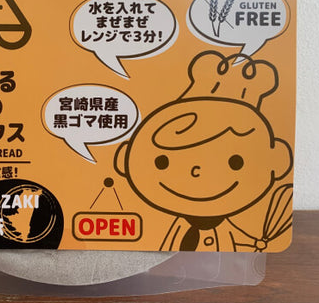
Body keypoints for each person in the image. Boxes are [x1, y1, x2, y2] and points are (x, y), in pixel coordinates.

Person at [114, 51, 293, 251]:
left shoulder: (230, 229)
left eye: (235, 163)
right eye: (163, 161)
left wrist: (256, 244)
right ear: (125, 160)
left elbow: (237, 243)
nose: (196, 171)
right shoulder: (163, 230)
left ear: (278, 160)